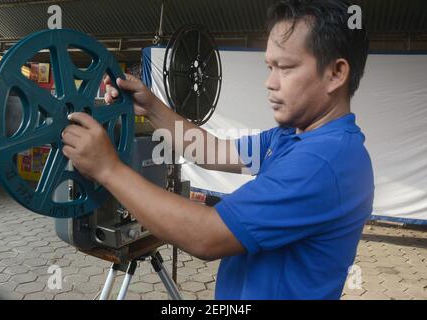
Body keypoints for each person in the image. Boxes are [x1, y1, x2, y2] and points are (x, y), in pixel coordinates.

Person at [61, 0, 374, 300]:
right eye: (269, 67)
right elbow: (211, 151)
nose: (270, 82)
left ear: (336, 73)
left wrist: (108, 169)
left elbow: (206, 237)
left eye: (286, 68)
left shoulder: (326, 160)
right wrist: (152, 107)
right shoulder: (291, 137)